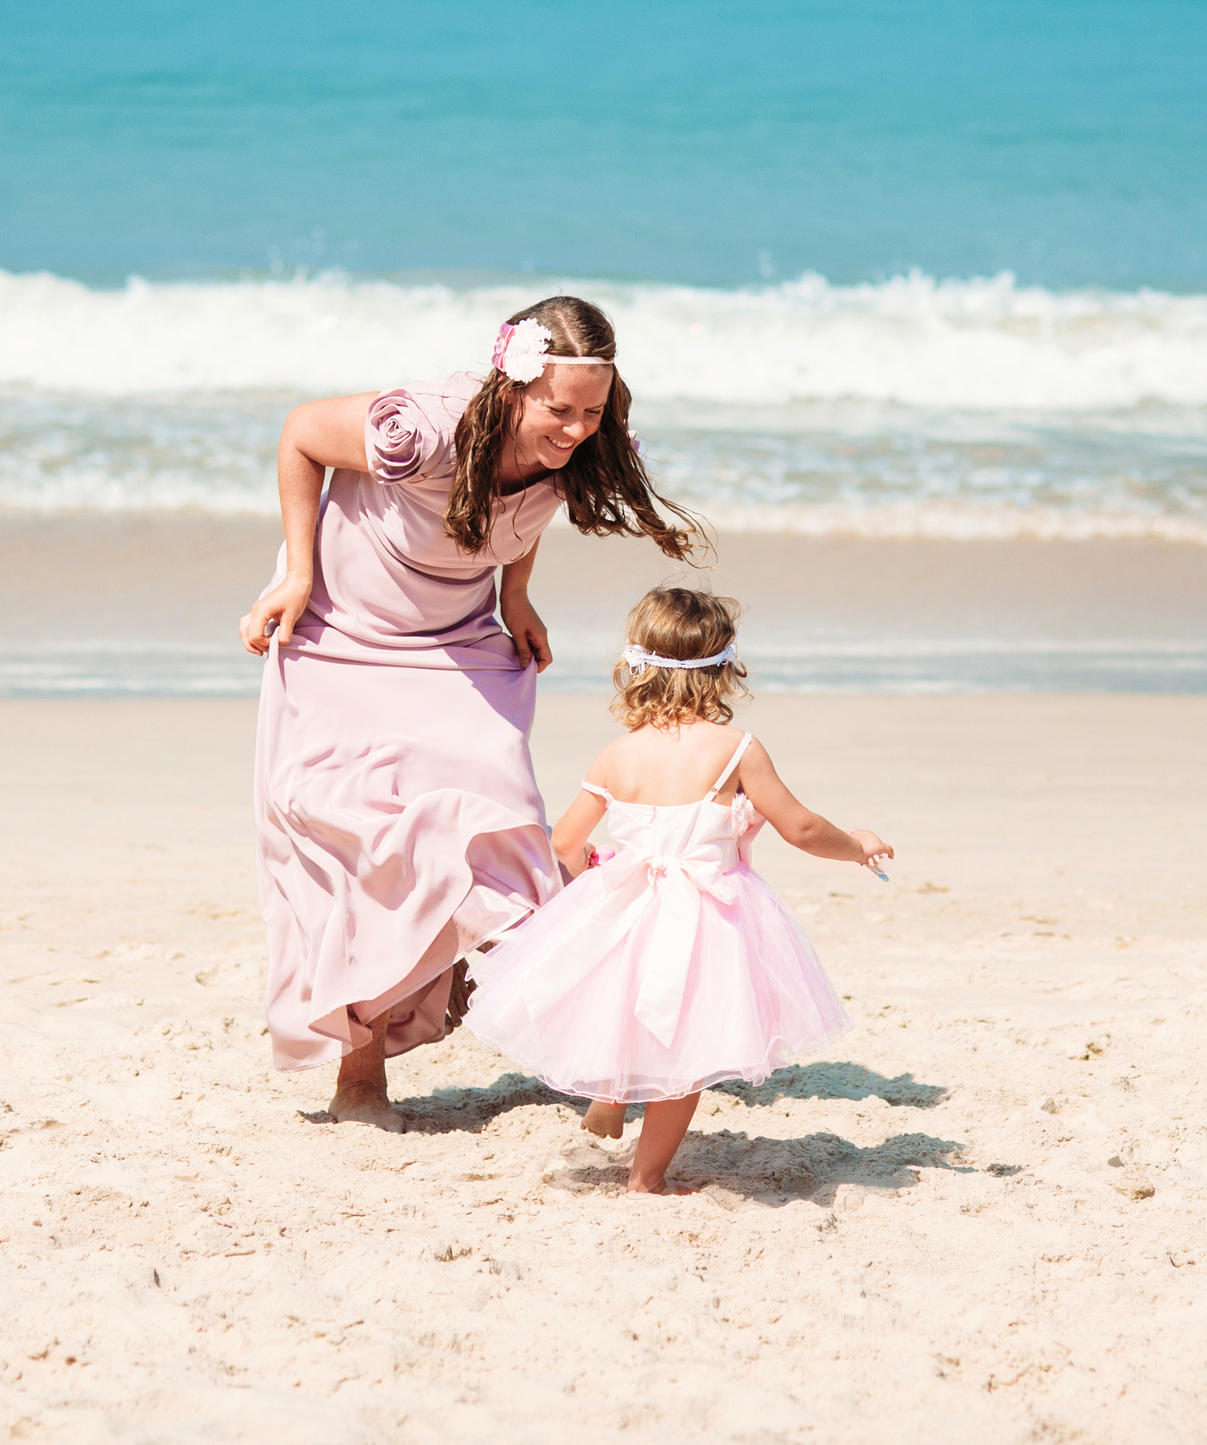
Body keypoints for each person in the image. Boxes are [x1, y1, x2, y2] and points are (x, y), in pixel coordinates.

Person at [241, 299, 702, 1131]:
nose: (572, 429)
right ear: (513, 383)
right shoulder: (423, 430)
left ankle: (562, 1031)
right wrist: (297, 575)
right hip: (346, 632)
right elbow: (302, 432)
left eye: (590, 413)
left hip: (457, 639)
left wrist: (515, 595)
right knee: (364, 842)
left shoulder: (578, 446)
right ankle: (360, 1078)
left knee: (503, 820)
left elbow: (531, 507)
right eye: (557, 408)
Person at [463, 587, 894, 1193]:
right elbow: (799, 826)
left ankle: (610, 1094)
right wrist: (857, 844)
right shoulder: (735, 748)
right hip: (707, 912)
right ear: (722, 666)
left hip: (627, 902)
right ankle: (646, 1179)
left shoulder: (618, 754)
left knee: (622, 998)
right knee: (687, 1043)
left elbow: (564, 842)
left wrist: (598, 874)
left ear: (635, 665)